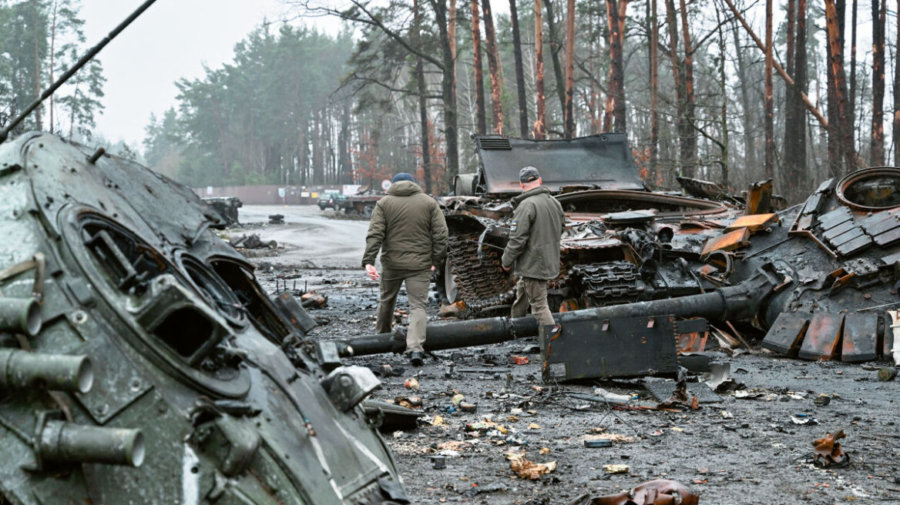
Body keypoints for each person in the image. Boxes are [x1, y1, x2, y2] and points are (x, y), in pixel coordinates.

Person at [363, 172, 448, 366]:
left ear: (393, 185)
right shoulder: (428, 202)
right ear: (414, 184)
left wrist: (369, 261)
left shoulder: (384, 203)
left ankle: (382, 339)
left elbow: (375, 233)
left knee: (387, 299)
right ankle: (415, 349)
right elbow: (441, 234)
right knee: (418, 306)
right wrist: (436, 259)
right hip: (420, 265)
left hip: (392, 264)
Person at [501, 166, 565, 334]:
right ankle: (517, 328)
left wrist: (506, 261)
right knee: (523, 292)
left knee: (539, 306)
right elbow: (561, 227)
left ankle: (554, 343)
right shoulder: (554, 202)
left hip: (534, 263)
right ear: (540, 181)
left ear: (522, 185)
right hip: (548, 260)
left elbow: (517, 239)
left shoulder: (526, 205)